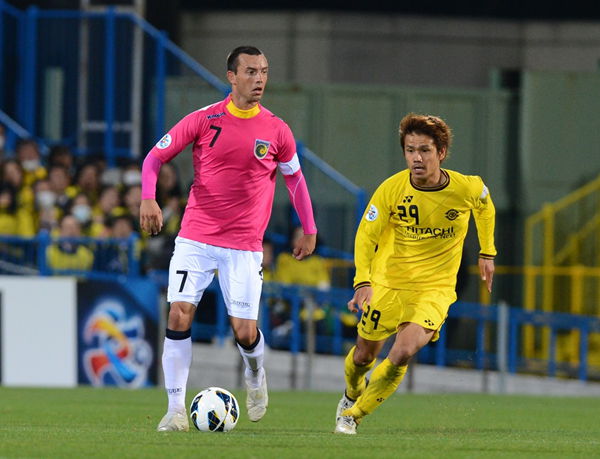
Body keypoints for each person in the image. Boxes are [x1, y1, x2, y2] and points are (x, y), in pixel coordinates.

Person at [139, 45, 318, 432]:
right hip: (196, 237)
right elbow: (154, 158)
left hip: (244, 246)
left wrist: (309, 227)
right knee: (178, 313)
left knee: (244, 331)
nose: (259, 79)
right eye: (251, 71)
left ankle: (255, 375)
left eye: (265, 72)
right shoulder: (204, 119)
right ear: (231, 76)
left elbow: (296, 180)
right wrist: (148, 197)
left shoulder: (276, 129)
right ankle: (174, 410)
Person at [334, 113, 496, 435]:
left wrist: (487, 251)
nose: (417, 158)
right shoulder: (391, 190)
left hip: (434, 289)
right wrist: (363, 281)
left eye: (424, 150)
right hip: (390, 283)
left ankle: (353, 415)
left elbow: (484, 205)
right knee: (364, 356)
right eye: (410, 150)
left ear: (441, 152)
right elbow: (366, 235)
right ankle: (352, 391)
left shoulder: (465, 187)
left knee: (404, 350)